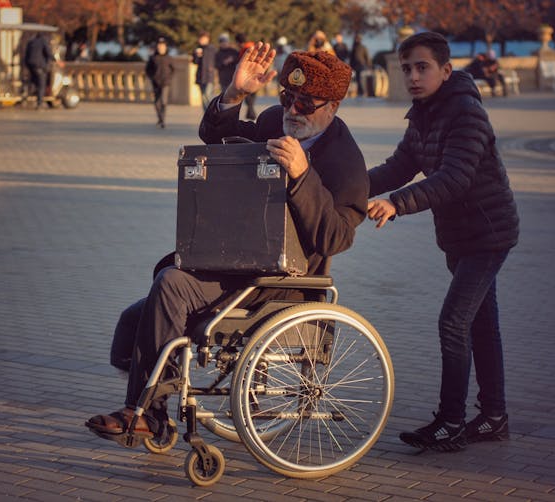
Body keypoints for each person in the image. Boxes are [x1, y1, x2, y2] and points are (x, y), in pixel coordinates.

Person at [86, 43, 370, 443]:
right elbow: (218, 142)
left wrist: (304, 176)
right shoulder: (273, 120)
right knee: (139, 314)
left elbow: (337, 237)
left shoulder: (345, 160)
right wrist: (234, 95)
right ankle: (154, 411)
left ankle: (147, 413)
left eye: (306, 103)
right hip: (235, 262)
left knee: (171, 284)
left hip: (281, 283)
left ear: (333, 107)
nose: (292, 111)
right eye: (288, 97)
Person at [366, 31, 519, 452]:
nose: (413, 77)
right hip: (459, 236)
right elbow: (399, 165)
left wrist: (396, 204)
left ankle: (451, 421)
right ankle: (493, 417)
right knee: (481, 324)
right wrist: (346, 187)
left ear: (446, 70)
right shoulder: (424, 115)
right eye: (406, 69)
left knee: (454, 322)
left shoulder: (465, 113)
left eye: (422, 67)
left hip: (488, 233)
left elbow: (454, 178)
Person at [145, 38, 175, 129]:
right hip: (156, 82)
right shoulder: (153, 57)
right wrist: (152, 77)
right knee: (157, 102)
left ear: (165, 47)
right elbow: (148, 70)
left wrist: (169, 78)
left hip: (166, 82)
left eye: (162, 46)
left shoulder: (169, 58)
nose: (161, 47)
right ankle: (160, 117)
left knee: (164, 101)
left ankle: (162, 120)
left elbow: (173, 69)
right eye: (159, 46)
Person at [24, 33, 54, 109]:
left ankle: (26, 99)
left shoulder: (31, 41)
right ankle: (39, 103)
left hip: (31, 66)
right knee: (41, 85)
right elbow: (48, 53)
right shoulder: (43, 41)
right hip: (40, 66)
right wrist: (53, 59)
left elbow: (26, 55)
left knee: (33, 83)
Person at [192, 31, 217, 111]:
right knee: (203, 97)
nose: (202, 40)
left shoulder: (212, 49)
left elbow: (216, 61)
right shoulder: (197, 49)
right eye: (201, 39)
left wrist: (213, 69)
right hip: (200, 76)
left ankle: (211, 113)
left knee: (207, 95)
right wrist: (197, 56)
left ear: (208, 39)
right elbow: (195, 62)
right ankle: (206, 115)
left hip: (209, 76)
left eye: (204, 39)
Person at [235, 33, 257, 120]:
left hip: (248, 73)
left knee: (247, 94)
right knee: (252, 93)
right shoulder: (253, 46)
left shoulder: (245, 49)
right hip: (257, 73)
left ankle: (251, 113)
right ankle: (250, 113)